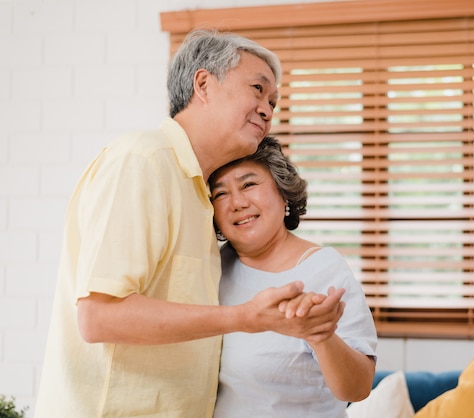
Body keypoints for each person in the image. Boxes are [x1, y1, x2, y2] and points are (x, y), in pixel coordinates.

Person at [34, 30, 344, 418]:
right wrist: (245, 318)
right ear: (203, 84)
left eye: (273, 102)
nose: (267, 109)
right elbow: (99, 316)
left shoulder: (201, 195)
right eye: (257, 89)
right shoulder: (143, 161)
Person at [208, 136, 378, 417]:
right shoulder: (212, 267)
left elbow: (357, 388)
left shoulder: (323, 269)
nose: (237, 202)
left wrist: (321, 336)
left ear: (282, 192)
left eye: (249, 184)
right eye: (220, 193)